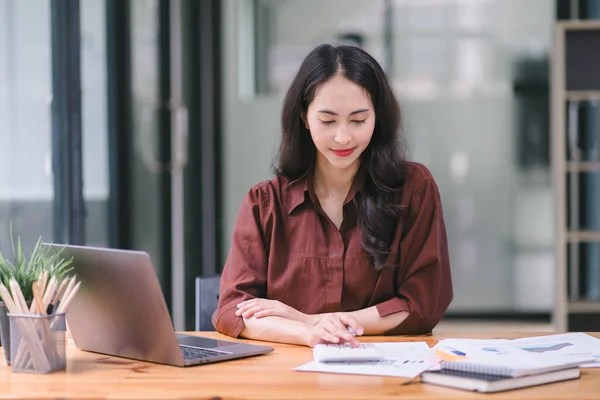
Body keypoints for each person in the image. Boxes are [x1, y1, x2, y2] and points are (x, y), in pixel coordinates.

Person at [212, 44, 453, 348]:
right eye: (327, 121)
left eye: (358, 120)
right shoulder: (265, 203)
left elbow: (422, 306)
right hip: (287, 378)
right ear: (304, 116)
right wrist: (307, 333)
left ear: (377, 117)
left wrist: (308, 319)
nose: (343, 137)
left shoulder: (413, 188)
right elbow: (233, 310)